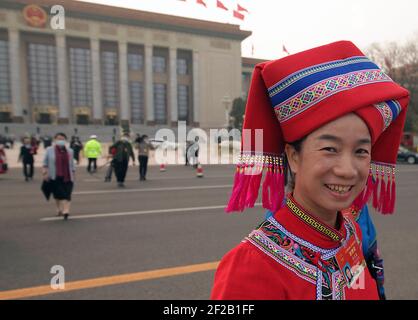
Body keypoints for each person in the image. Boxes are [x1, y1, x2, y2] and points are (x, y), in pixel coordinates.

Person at [211, 41, 409, 300]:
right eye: (330, 148)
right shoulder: (251, 266)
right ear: (293, 157)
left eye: (361, 151)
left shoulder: (351, 233)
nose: (348, 170)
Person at [42, 133, 76, 220]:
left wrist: (73, 173)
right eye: (58, 139)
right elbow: (45, 163)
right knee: (57, 195)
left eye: (62, 139)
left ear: (65, 140)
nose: (60, 141)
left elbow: (72, 164)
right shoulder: (49, 150)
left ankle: (66, 211)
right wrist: (45, 173)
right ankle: (58, 209)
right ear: (54, 140)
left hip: (68, 176)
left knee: (67, 194)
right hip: (55, 176)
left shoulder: (70, 151)